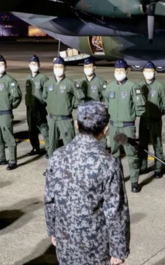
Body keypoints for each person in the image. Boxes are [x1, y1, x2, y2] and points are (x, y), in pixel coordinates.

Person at [45, 101, 130, 265]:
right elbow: (116, 211)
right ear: (105, 130)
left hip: (65, 243)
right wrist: (118, 251)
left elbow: (50, 199)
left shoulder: (57, 156)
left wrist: (53, 231)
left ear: (76, 125)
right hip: (95, 248)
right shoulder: (108, 163)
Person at [104, 59, 146, 193]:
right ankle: (119, 179)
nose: (119, 73)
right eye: (116, 71)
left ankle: (134, 182)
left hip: (127, 127)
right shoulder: (110, 87)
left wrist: (131, 115)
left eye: (121, 71)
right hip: (114, 126)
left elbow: (141, 107)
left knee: (131, 154)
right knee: (115, 155)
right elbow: (106, 105)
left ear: (126, 71)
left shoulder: (132, 87)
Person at [42, 57, 84, 158]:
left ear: (65, 68)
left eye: (60, 67)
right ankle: (52, 169)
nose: (58, 69)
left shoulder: (70, 83)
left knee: (69, 145)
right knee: (52, 146)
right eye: (56, 67)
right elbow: (45, 97)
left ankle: (70, 170)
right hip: (52, 119)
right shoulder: (48, 84)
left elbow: (80, 98)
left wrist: (73, 105)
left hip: (65, 119)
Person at [0, 55, 22, 170]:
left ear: (6, 66)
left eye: (2, 65)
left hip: (5, 114)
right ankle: (0, 158)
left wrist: (9, 106)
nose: (0, 67)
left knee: (8, 137)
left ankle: (12, 161)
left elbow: (17, 97)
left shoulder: (10, 81)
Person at [138, 61, 165, 178]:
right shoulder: (139, 86)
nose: (148, 73)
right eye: (146, 71)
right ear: (143, 72)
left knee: (157, 145)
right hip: (143, 120)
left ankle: (158, 168)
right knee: (142, 145)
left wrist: (159, 113)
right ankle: (143, 166)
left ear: (155, 72)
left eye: (151, 71)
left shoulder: (160, 87)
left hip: (155, 120)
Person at [78, 57, 108, 147]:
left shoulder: (100, 82)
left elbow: (106, 98)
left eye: (89, 66)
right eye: (85, 67)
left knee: (100, 136)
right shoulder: (80, 82)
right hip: (85, 115)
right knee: (85, 136)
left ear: (94, 68)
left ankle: (102, 151)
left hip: (97, 114)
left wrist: (103, 112)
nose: (87, 69)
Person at [24, 55, 49, 156]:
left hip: (39, 108)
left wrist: (43, 103)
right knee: (31, 129)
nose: (34, 66)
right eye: (32, 64)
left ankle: (49, 149)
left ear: (39, 65)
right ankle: (35, 148)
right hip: (30, 108)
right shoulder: (27, 78)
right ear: (29, 65)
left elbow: (47, 94)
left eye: (36, 64)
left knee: (44, 129)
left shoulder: (43, 78)